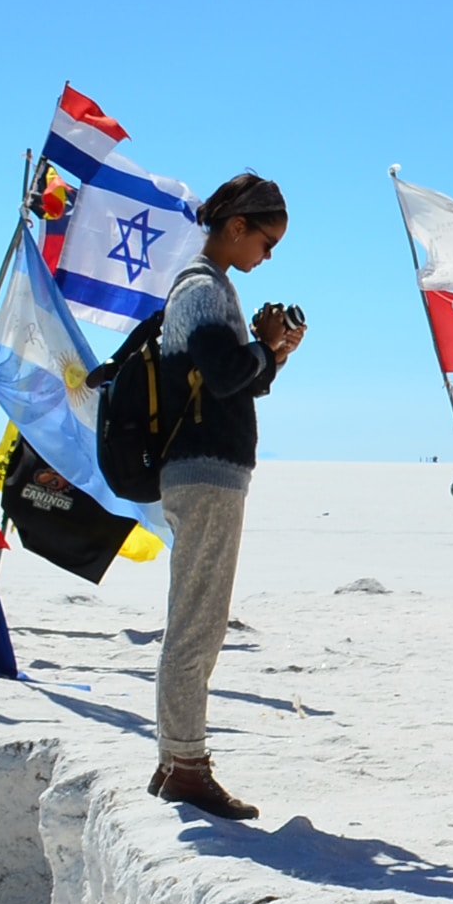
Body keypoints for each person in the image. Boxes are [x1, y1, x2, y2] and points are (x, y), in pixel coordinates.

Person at [148, 173, 305, 821]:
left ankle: (173, 761)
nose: (268, 256)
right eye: (267, 241)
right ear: (236, 226)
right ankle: (185, 765)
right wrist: (263, 349)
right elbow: (223, 376)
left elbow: (232, 379)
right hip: (205, 473)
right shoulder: (205, 288)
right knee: (198, 621)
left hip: (204, 472)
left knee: (196, 616)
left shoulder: (207, 288)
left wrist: (271, 356)